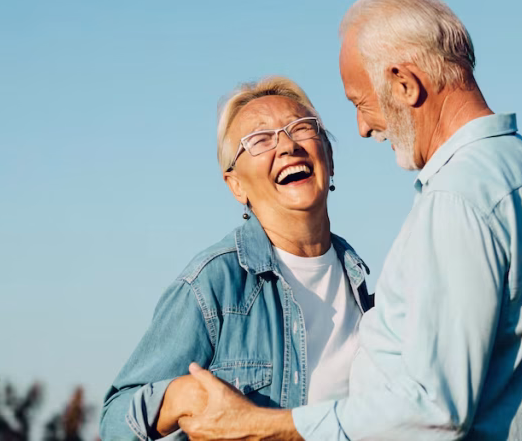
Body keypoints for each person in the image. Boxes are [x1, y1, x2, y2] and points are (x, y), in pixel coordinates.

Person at [176, 0, 522, 441]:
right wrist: (470, 365)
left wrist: (258, 426)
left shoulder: (455, 198)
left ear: (404, 84)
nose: (363, 128)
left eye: (360, 102)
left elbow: (434, 410)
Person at [100, 77, 374, 440]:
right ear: (236, 185)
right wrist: (180, 396)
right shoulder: (212, 283)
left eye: (301, 128)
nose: (288, 145)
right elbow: (114, 419)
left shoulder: (363, 287)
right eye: (260, 140)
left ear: (330, 158)